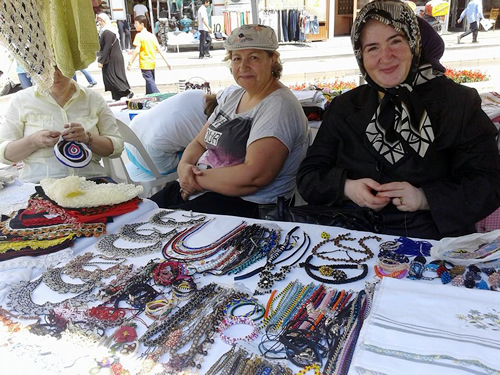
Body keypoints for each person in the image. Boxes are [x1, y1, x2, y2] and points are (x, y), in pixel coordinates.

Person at [296, 0, 500, 240]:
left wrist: (425, 198)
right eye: (372, 48)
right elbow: (308, 177)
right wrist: (346, 187)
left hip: (430, 240)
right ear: (360, 55)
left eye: (396, 41)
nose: (386, 56)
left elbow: (489, 183)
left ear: (414, 44)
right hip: (350, 237)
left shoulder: (458, 102)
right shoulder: (345, 106)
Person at [151, 25, 310, 218]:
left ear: (273, 60)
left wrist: (194, 180)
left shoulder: (279, 106)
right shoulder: (234, 96)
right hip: (200, 189)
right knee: (136, 215)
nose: (243, 67)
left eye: (254, 57)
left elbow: (254, 177)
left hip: (246, 207)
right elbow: (199, 142)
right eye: (237, 58)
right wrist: (184, 167)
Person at [0, 67, 124, 183]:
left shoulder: (93, 98)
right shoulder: (21, 100)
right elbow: (5, 155)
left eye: (60, 66)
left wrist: (88, 138)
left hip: (91, 180)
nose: (55, 74)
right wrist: (33, 141)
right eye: (46, 67)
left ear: (72, 65)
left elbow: (116, 148)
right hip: (40, 184)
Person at [126, 89, 223, 180]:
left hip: (130, 145)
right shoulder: (207, 125)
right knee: (203, 156)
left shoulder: (197, 93)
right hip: (153, 162)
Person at [128, 15, 172, 94]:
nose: (135, 25)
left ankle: (158, 95)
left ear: (142, 24)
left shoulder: (139, 36)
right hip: (152, 62)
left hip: (144, 63)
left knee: (150, 82)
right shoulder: (152, 36)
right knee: (150, 82)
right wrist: (167, 62)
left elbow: (137, 50)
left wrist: (130, 62)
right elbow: (159, 50)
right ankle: (149, 97)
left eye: (136, 23)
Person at [97, 13, 133, 101]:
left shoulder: (108, 32)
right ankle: (117, 97)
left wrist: (101, 61)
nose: (99, 22)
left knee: (113, 77)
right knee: (109, 77)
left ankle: (127, 92)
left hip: (113, 58)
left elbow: (107, 47)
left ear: (105, 20)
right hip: (111, 57)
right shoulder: (104, 31)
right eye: (98, 20)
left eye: (101, 20)